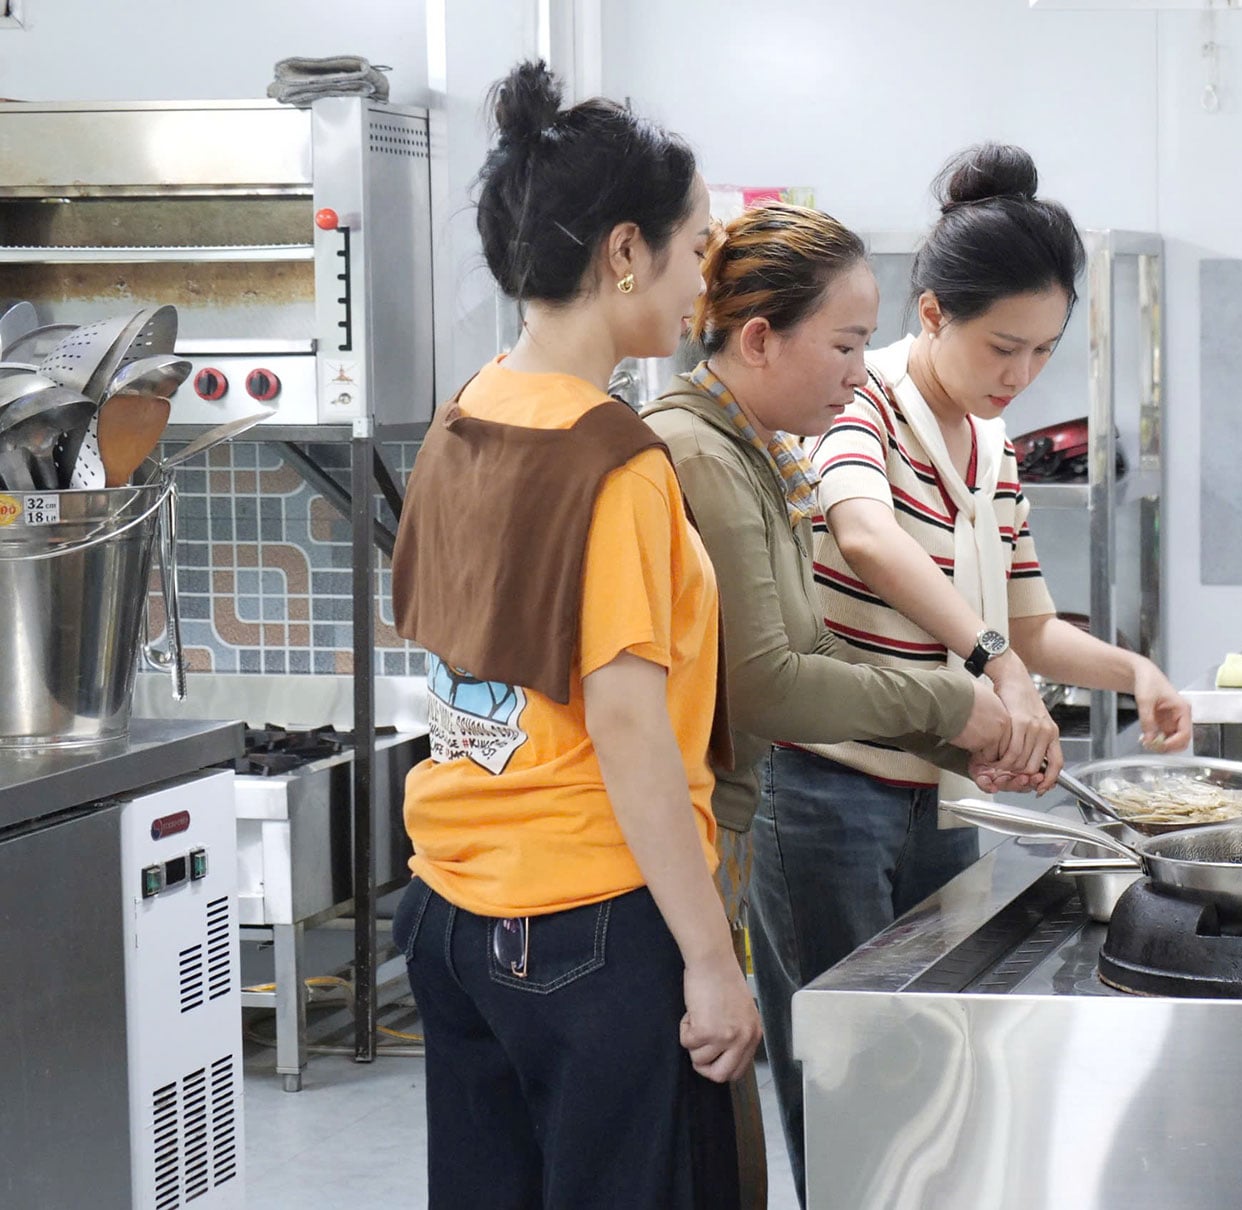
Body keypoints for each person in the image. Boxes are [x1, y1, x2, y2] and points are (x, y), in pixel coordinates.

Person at [754, 142, 1196, 1190]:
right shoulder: (858, 405)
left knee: (922, 1073)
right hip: (824, 789)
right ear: (934, 313)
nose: (1020, 375)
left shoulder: (992, 445)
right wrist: (993, 664)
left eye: (1043, 353)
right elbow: (866, 536)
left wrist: (1130, 670)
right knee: (845, 1080)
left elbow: (1032, 622)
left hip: (933, 796)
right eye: (1004, 347)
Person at [388, 60, 756, 1209]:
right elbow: (629, 730)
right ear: (623, 252)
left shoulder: (469, 412)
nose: (702, 280)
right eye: (696, 248)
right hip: (587, 926)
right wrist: (708, 957)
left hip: (451, 912)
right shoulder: (614, 458)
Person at [638, 201, 1016, 1204]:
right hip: (691, 846)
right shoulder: (700, 455)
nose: (861, 373)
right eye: (846, 345)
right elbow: (768, 682)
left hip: (727, 827)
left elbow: (809, 647)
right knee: (806, 1125)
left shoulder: (756, 447)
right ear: (759, 339)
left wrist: (955, 739)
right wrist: (955, 702)